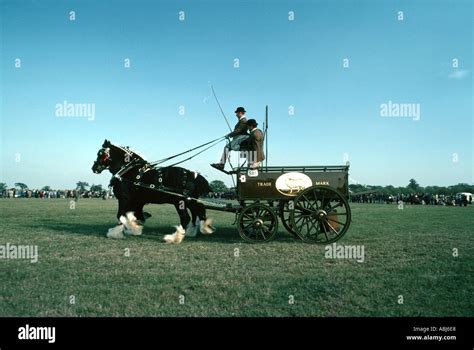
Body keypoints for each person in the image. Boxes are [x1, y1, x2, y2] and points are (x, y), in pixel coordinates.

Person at [211, 106, 249, 171]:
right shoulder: (242, 120)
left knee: (227, 147)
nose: (236, 114)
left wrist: (229, 135)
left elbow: (238, 130)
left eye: (236, 113)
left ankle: (221, 165)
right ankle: (221, 164)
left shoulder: (243, 121)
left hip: (240, 139)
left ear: (240, 113)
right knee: (227, 148)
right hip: (239, 138)